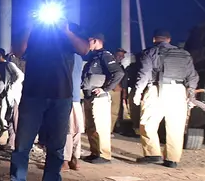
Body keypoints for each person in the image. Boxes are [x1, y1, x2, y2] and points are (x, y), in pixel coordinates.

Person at [1, 15, 89, 181]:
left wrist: (65, 30)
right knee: (22, 144)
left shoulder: (68, 32)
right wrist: (30, 26)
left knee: (57, 146)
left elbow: (84, 49)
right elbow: (18, 50)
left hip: (61, 97)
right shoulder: (33, 32)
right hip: (33, 96)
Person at [132, 29, 199, 168]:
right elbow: (193, 76)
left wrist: (138, 92)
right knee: (176, 126)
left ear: (154, 39)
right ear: (169, 39)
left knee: (148, 123)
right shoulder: (184, 54)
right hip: (178, 91)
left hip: (156, 89)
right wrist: (190, 94)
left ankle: (153, 154)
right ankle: (172, 160)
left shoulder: (150, 52)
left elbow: (144, 73)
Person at [80, 34, 124, 164]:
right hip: (89, 96)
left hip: (99, 97)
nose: (87, 43)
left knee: (101, 127)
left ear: (95, 41)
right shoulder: (94, 56)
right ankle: (95, 152)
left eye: (89, 41)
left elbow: (118, 73)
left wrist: (105, 88)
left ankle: (104, 155)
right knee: (91, 127)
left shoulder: (105, 55)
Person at [0, 48, 24, 150]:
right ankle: (11, 143)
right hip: (5, 97)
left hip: (13, 97)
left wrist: (11, 87)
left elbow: (20, 76)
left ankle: (20, 146)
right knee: (6, 119)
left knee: (15, 121)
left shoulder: (9, 65)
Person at [64, 54, 84, 170]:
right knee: (77, 130)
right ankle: (75, 159)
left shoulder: (63, 55)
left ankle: (65, 160)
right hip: (76, 97)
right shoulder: (79, 57)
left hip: (65, 97)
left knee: (66, 130)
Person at [111, 48, 127, 130]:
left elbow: (123, 81)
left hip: (117, 91)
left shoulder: (121, 67)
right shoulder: (109, 63)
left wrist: (124, 92)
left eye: (122, 56)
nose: (121, 57)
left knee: (114, 112)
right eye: (119, 55)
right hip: (110, 89)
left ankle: (110, 130)